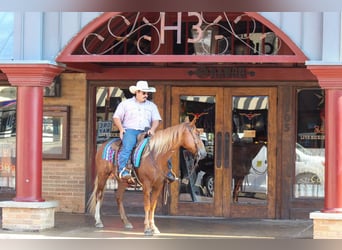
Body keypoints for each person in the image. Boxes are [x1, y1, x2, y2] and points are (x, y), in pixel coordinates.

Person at [113, 80, 176, 182]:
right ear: (137, 92)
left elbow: (156, 120)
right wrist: (121, 129)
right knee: (128, 147)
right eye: (144, 93)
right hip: (130, 130)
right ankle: (123, 170)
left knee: (162, 147)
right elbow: (116, 117)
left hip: (146, 132)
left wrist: (152, 129)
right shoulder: (125, 104)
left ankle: (168, 171)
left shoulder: (151, 106)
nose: (146, 95)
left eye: (147, 93)